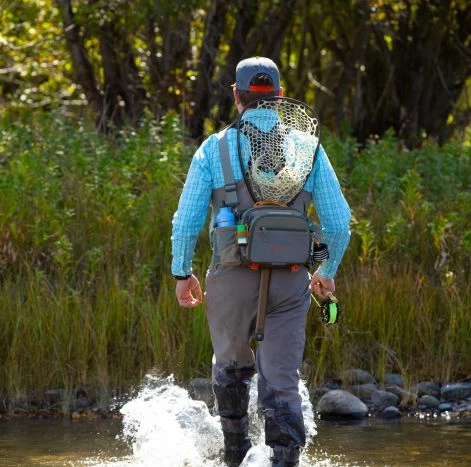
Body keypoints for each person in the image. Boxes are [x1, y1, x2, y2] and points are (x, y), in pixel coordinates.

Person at [170, 56, 351, 466]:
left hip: (231, 278)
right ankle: (285, 460)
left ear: (236, 95)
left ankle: (235, 454)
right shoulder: (307, 148)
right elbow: (339, 224)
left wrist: (182, 272)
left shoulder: (213, 148)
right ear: (280, 96)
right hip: (291, 280)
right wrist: (327, 272)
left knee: (230, 367)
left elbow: (185, 221)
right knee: (282, 381)